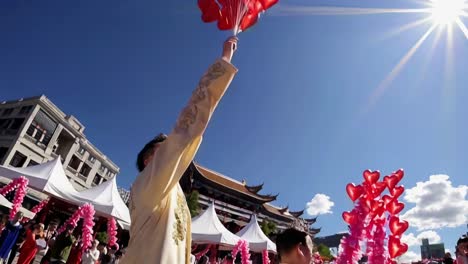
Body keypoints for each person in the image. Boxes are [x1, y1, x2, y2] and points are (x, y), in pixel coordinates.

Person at [121, 36, 238, 264]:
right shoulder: (149, 184)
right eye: (163, 149)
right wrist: (224, 61)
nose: (172, 151)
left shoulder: (171, 191)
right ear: (148, 160)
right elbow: (185, 128)